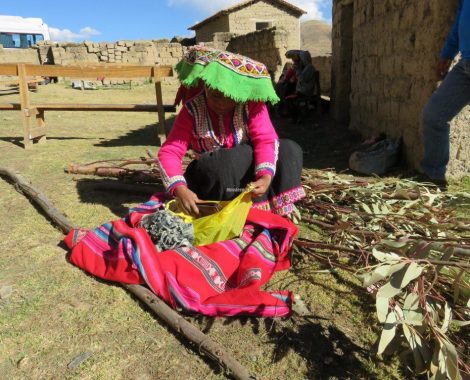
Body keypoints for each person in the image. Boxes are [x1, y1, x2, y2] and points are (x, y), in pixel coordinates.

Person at [157, 46, 305, 218]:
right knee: (225, 162)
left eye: (230, 97)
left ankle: (274, 206)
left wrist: (265, 177)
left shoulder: (252, 104)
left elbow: (265, 140)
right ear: (205, 86)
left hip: (246, 177)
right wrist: (179, 189)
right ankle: (237, 210)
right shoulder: (192, 110)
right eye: (215, 96)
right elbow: (170, 152)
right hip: (215, 178)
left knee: (289, 150)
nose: (222, 103)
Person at [420, 0, 469, 186]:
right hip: (465, 65)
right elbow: (459, 24)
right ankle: (434, 178)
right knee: (433, 116)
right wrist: (447, 54)